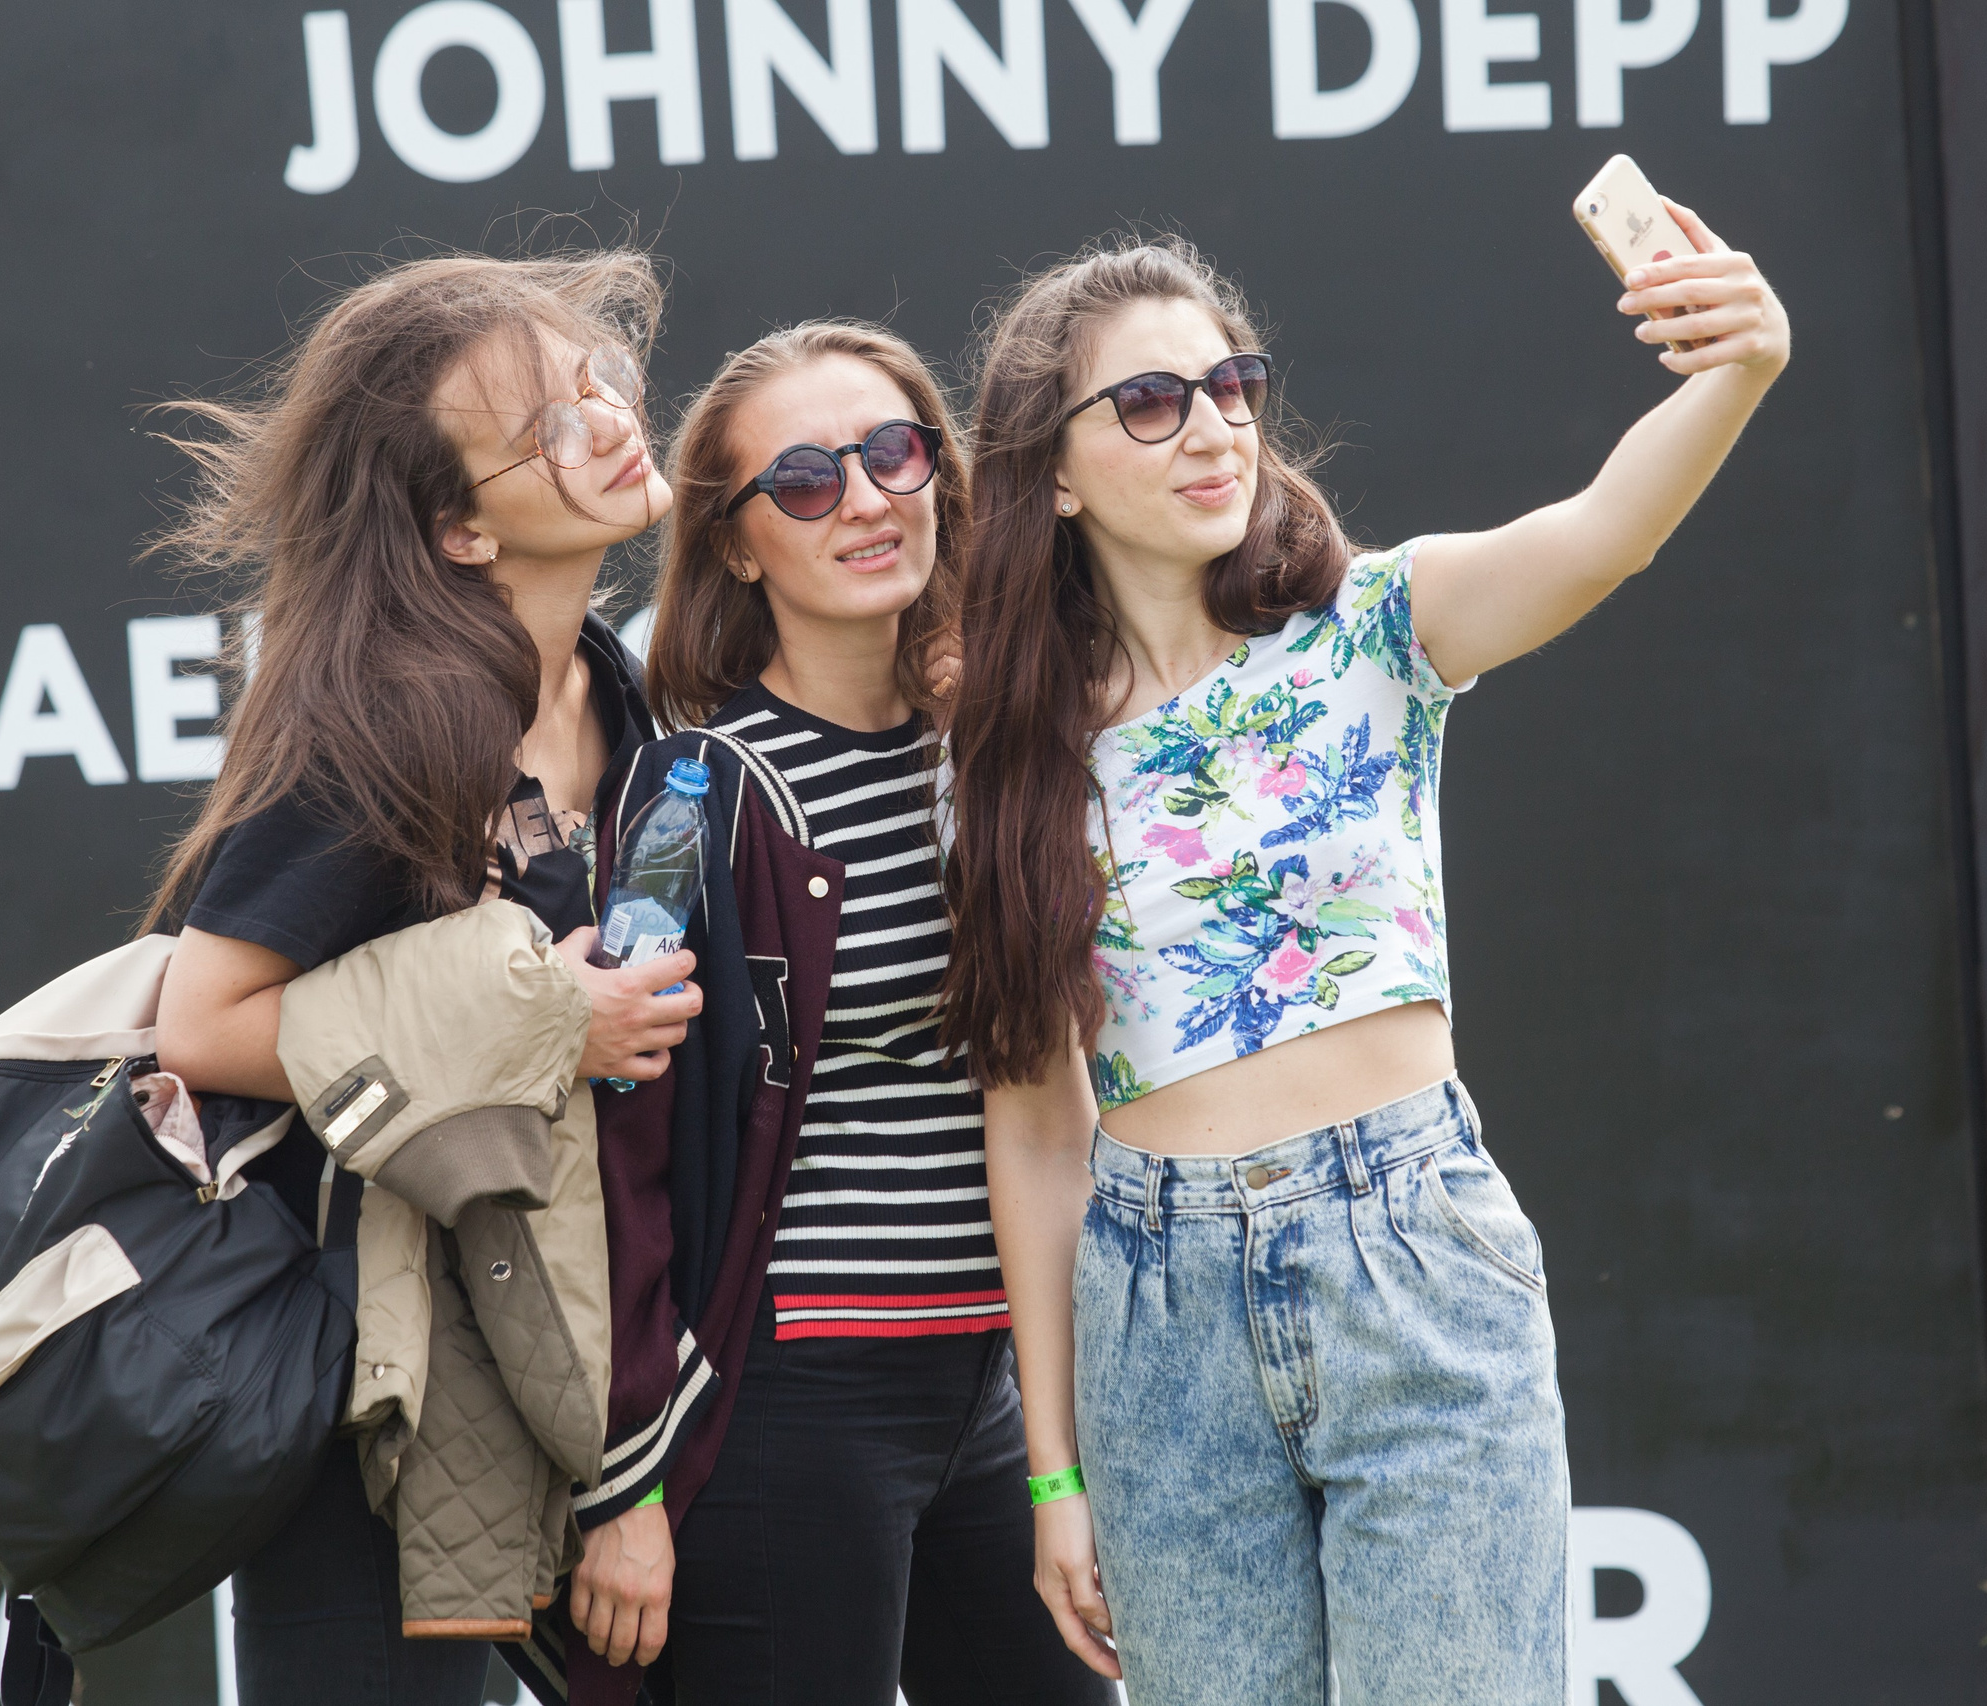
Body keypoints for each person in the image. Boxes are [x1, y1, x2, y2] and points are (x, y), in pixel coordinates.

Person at [944, 219, 1791, 1704]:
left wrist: (1741, 365)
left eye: (1233, 384)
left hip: (1410, 1251)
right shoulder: (1011, 762)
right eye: (1153, 401)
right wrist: (1053, 1473)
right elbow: (1033, 1132)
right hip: (1157, 1310)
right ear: (1055, 471)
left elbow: (1608, 529)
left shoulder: (1376, 626)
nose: (1212, 426)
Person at [142, 250, 703, 1706]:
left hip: (569, 1358)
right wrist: (540, 1020)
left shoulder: (609, 679)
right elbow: (201, 1022)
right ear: (457, 527)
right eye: (552, 427)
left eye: (601, 387)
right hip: (369, 1399)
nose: (610, 424)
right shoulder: (382, 725)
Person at [550, 322, 1110, 1706]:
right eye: (804, 480)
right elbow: (621, 1157)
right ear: (737, 544)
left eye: (894, 451)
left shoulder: (1004, 756)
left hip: (997, 1393)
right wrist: (627, 1480)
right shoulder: (691, 794)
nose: (864, 496)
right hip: (793, 1408)